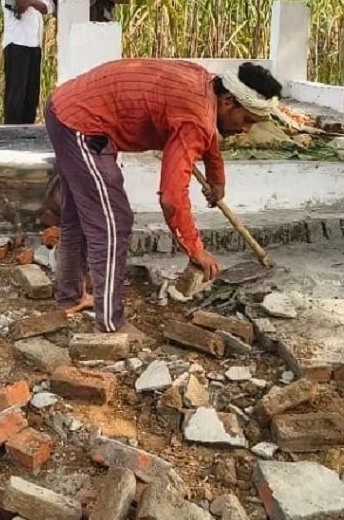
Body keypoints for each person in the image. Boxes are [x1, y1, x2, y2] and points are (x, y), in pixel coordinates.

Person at [45, 59, 281, 335]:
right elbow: (171, 197)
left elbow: (207, 138)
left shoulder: (205, 83)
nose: (246, 129)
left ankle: (70, 296)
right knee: (112, 222)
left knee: (78, 215)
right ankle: (110, 324)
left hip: (64, 107)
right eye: (247, 119)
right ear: (228, 102)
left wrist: (217, 177)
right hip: (82, 125)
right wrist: (195, 249)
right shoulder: (197, 118)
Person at [0, 0, 54, 124]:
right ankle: (12, 134)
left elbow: (48, 7)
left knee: (31, 93)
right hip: (17, 43)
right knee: (16, 94)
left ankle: (27, 132)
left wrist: (29, 1)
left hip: (35, 43)